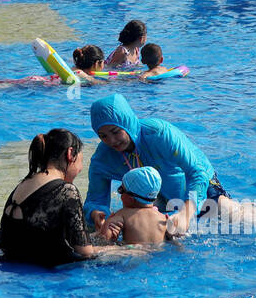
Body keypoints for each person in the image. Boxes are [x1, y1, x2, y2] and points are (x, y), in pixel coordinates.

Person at [86, 94, 231, 239]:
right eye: (103, 136)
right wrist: (95, 214)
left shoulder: (159, 134)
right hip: (156, 197)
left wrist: (187, 212)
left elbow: (196, 172)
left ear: (127, 123)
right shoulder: (102, 159)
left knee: (231, 216)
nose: (112, 141)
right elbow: (95, 200)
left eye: (115, 132)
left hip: (198, 184)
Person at [0, 130, 100, 267]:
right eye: (81, 161)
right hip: (42, 270)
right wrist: (124, 249)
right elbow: (86, 253)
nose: (80, 168)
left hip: (7, 260)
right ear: (70, 154)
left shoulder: (23, 184)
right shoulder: (67, 191)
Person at [93, 167, 168, 245]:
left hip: (132, 252)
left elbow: (103, 240)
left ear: (130, 199)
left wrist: (103, 228)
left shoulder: (123, 215)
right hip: (158, 251)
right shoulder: (163, 219)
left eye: (121, 190)